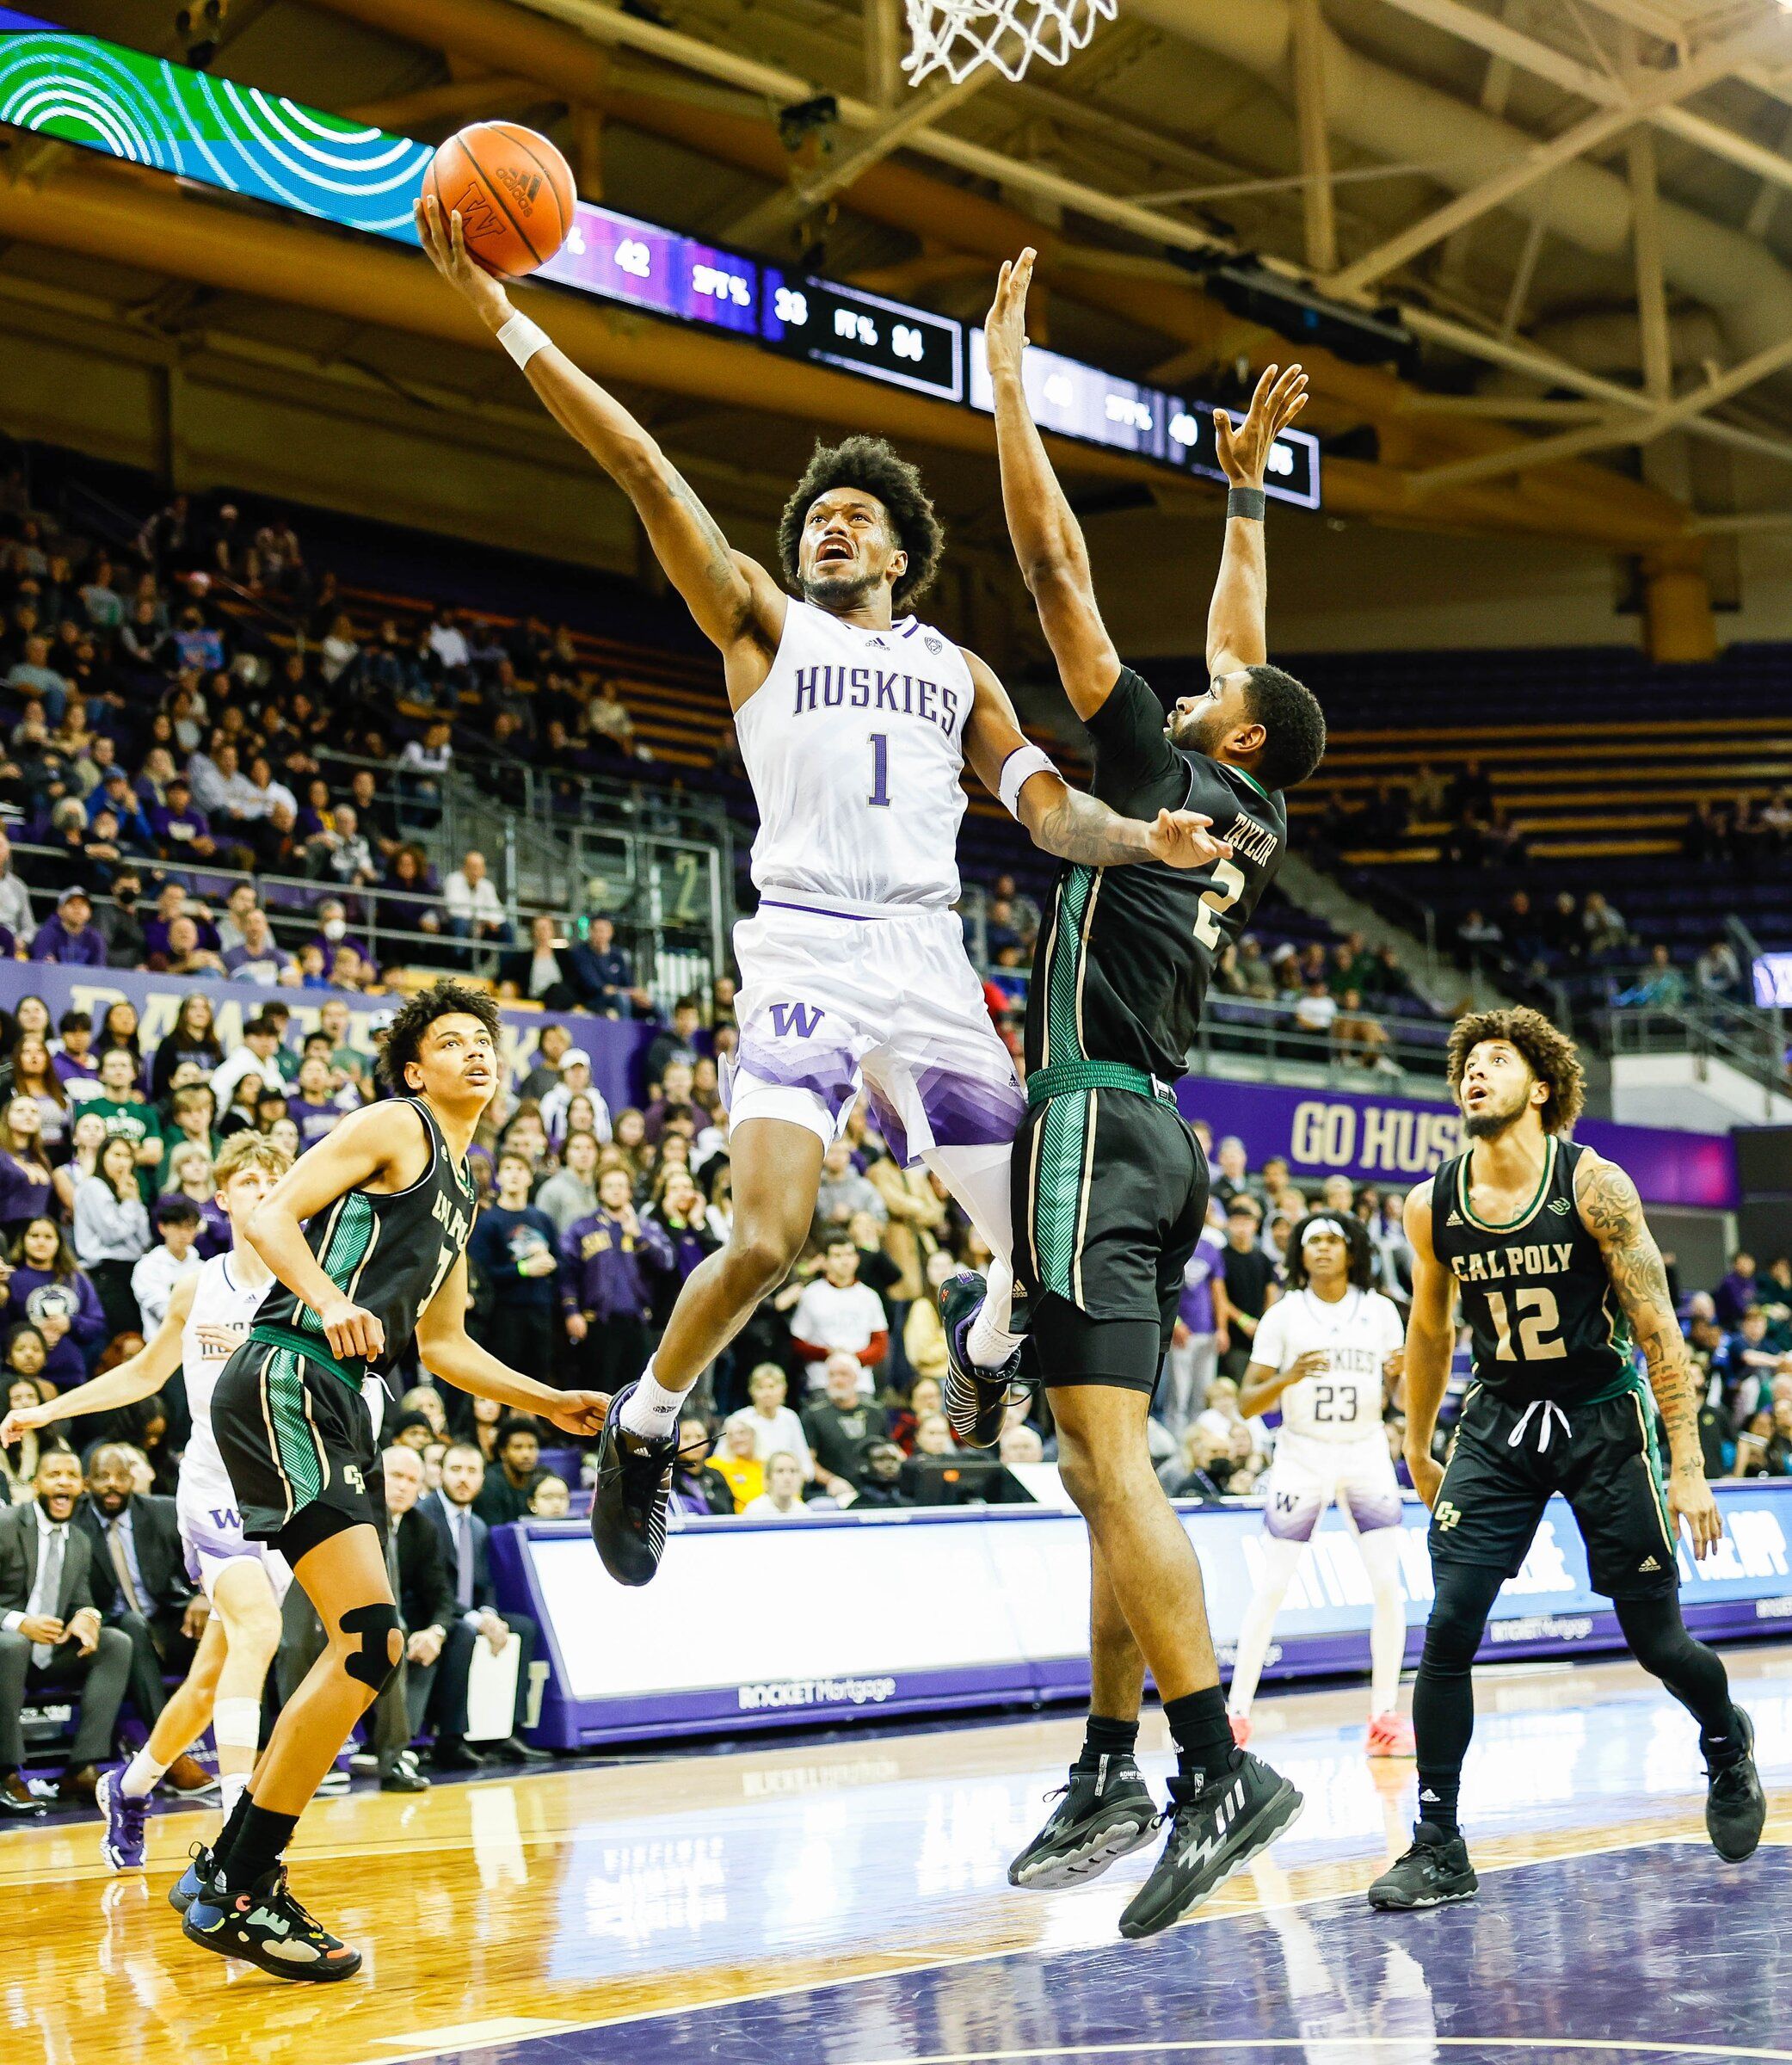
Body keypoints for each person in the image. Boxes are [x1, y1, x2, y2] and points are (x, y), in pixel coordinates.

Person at [414, 195, 1229, 1591]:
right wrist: (503, 312)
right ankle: (648, 1426)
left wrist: (1133, 840)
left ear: (901, 553)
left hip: (927, 963)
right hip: (801, 953)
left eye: (857, 518)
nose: (830, 530)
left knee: (1040, 1260)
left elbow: (1040, 805)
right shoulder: (755, 619)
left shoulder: (956, 670)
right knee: (767, 1238)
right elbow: (644, 468)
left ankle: (979, 1345)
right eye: (816, 519)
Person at [963, 259, 1324, 1940]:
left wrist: (1007, 383)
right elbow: (1246, 648)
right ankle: (1111, 1759)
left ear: (1233, 743)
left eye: (1211, 699)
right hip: (1166, 1144)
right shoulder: (1241, 803)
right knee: (1123, 1470)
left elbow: (1052, 570)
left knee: (1104, 1470)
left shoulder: (1157, 771)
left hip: (1095, 1119)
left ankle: (1204, 1770)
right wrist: (1243, 491)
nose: (1192, 683)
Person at [176, 985, 605, 1980]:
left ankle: (232, 1873)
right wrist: (327, 1301)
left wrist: (548, 1401)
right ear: (415, 1070)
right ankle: (240, 1883)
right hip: (287, 1369)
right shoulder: (392, 1125)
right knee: (366, 1641)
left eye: (483, 1042)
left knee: (364, 1647)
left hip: (339, 1395)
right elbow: (273, 1219)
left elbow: (445, 1342)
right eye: (450, 1042)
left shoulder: (463, 1181)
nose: (475, 1053)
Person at [1367, 1008, 1764, 1913]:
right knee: (1451, 1625)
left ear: (1539, 1089)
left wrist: (1688, 1464)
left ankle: (1724, 1743)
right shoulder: (1432, 1203)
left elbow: (1659, 1328)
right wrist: (1417, 1442)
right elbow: (1428, 1332)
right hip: (1500, 1416)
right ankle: (1437, 1843)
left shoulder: (1595, 1187)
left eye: (1496, 1060)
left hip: (1599, 1414)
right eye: (1465, 1061)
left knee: (1657, 1643)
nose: (1473, 1071)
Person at [3, 1134, 294, 1870]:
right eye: (249, 1181)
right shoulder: (200, 1285)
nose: (264, 1189)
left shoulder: (308, 1285)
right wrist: (49, 1412)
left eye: (275, 1179)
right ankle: (240, 1829)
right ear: (224, 1200)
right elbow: (143, 1373)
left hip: (285, 1492)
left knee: (209, 1682)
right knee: (259, 1632)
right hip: (212, 1489)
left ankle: (128, 1790)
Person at [1225, 1214, 1410, 1755]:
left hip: (1365, 1450)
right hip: (1302, 1454)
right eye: (1313, 1242)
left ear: (1352, 1250)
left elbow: (1400, 1401)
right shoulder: (1283, 1315)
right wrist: (1288, 1377)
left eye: (1332, 1241)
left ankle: (1385, 1716)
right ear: (1299, 1255)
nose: (1323, 1250)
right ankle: (1236, 1713)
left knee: (1386, 1587)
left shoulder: (1380, 1313)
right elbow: (1245, 1402)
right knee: (1273, 1586)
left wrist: (1402, 1376)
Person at [0, 1443, 133, 1811]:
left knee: (115, 1643)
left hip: (46, 1652)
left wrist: (87, 1618)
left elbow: (83, 1600)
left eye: (72, 1476)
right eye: (54, 1475)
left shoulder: (79, 1541)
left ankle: (82, 1766)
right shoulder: (7, 1525)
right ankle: (7, 1774)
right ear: (35, 1484)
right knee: (11, 1645)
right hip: (7, 1648)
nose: (63, 1483)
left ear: (82, 1487)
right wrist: (20, 1623)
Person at [418, 1443, 542, 1766]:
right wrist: (475, 1618)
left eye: (472, 1471)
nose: (463, 1479)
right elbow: (432, 1589)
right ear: (440, 1474)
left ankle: (507, 1732)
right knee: (462, 1633)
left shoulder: (477, 1525)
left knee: (524, 1628)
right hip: (430, 1613)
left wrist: (489, 1614)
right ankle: (450, 1738)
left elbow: (484, 1584)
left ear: (482, 1480)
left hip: (466, 1612)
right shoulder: (424, 1517)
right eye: (456, 1470)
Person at [742, 1450, 811, 1519]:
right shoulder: (754, 1511)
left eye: (793, 1471)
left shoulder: (805, 1512)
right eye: (780, 1471)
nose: (788, 1478)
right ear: (768, 1477)